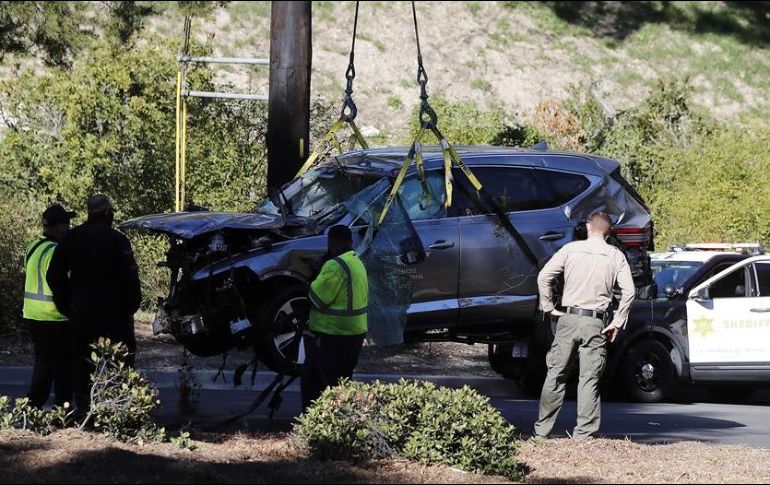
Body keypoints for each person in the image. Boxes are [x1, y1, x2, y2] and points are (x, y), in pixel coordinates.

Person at [534, 211, 635, 439]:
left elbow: (544, 277)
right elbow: (629, 292)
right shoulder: (615, 255)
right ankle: (583, 436)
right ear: (608, 233)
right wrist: (618, 321)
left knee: (556, 375)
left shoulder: (570, 249)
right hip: (595, 322)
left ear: (589, 227)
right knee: (588, 379)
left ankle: (541, 433)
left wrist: (548, 306)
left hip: (567, 319)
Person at [47, 194, 142, 412]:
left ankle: (85, 408)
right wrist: (131, 306)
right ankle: (118, 410)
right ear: (108, 212)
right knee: (120, 361)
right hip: (114, 314)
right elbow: (130, 278)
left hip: (81, 312)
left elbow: (54, 275)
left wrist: (66, 303)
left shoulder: (71, 238)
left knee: (82, 364)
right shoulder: (117, 240)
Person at [301, 225, 369, 410]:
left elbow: (318, 299)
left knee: (314, 384)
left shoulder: (335, 265)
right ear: (351, 242)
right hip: (354, 334)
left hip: (331, 335)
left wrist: (311, 281)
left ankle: (313, 425)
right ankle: (341, 423)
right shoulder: (356, 261)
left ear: (330, 242)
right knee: (341, 384)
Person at [22, 204, 77, 408]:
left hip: (32, 314)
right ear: (59, 227)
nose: (69, 228)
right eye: (67, 224)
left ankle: (34, 407)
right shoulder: (57, 251)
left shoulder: (33, 246)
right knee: (63, 366)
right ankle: (61, 408)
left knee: (43, 363)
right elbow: (64, 283)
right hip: (54, 315)